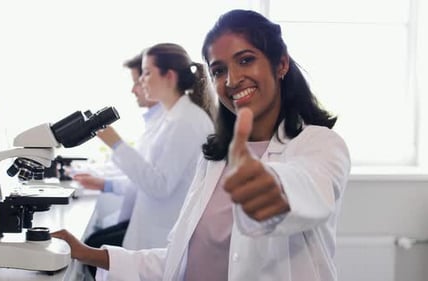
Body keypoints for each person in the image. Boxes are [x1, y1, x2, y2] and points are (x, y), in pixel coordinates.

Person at [52, 9, 351, 281]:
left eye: (246, 60)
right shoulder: (215, 158)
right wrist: (90, 254)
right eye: (219, 70)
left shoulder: (320, 144)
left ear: (281, 64)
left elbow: (311, 187)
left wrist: (273, 186)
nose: (232, 79)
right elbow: (182, 259)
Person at [73, 42, 215, 254]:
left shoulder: (186, 121)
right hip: (152, 228)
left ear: (170, 76)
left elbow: (159, 185)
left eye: (147, 73)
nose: (141, 81)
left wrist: (117, 144)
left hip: (163, 233)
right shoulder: (172, 117)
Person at [71, 52, 166, 277]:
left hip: (155, 229)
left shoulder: (171, 124)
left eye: (138, 82)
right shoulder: (156, 122)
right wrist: (100, 179)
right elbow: (137, 172)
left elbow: (150, 180)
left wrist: (115, 146)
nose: (134, 90)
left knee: (93, 245)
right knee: (94, 242)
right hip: (142, 219)